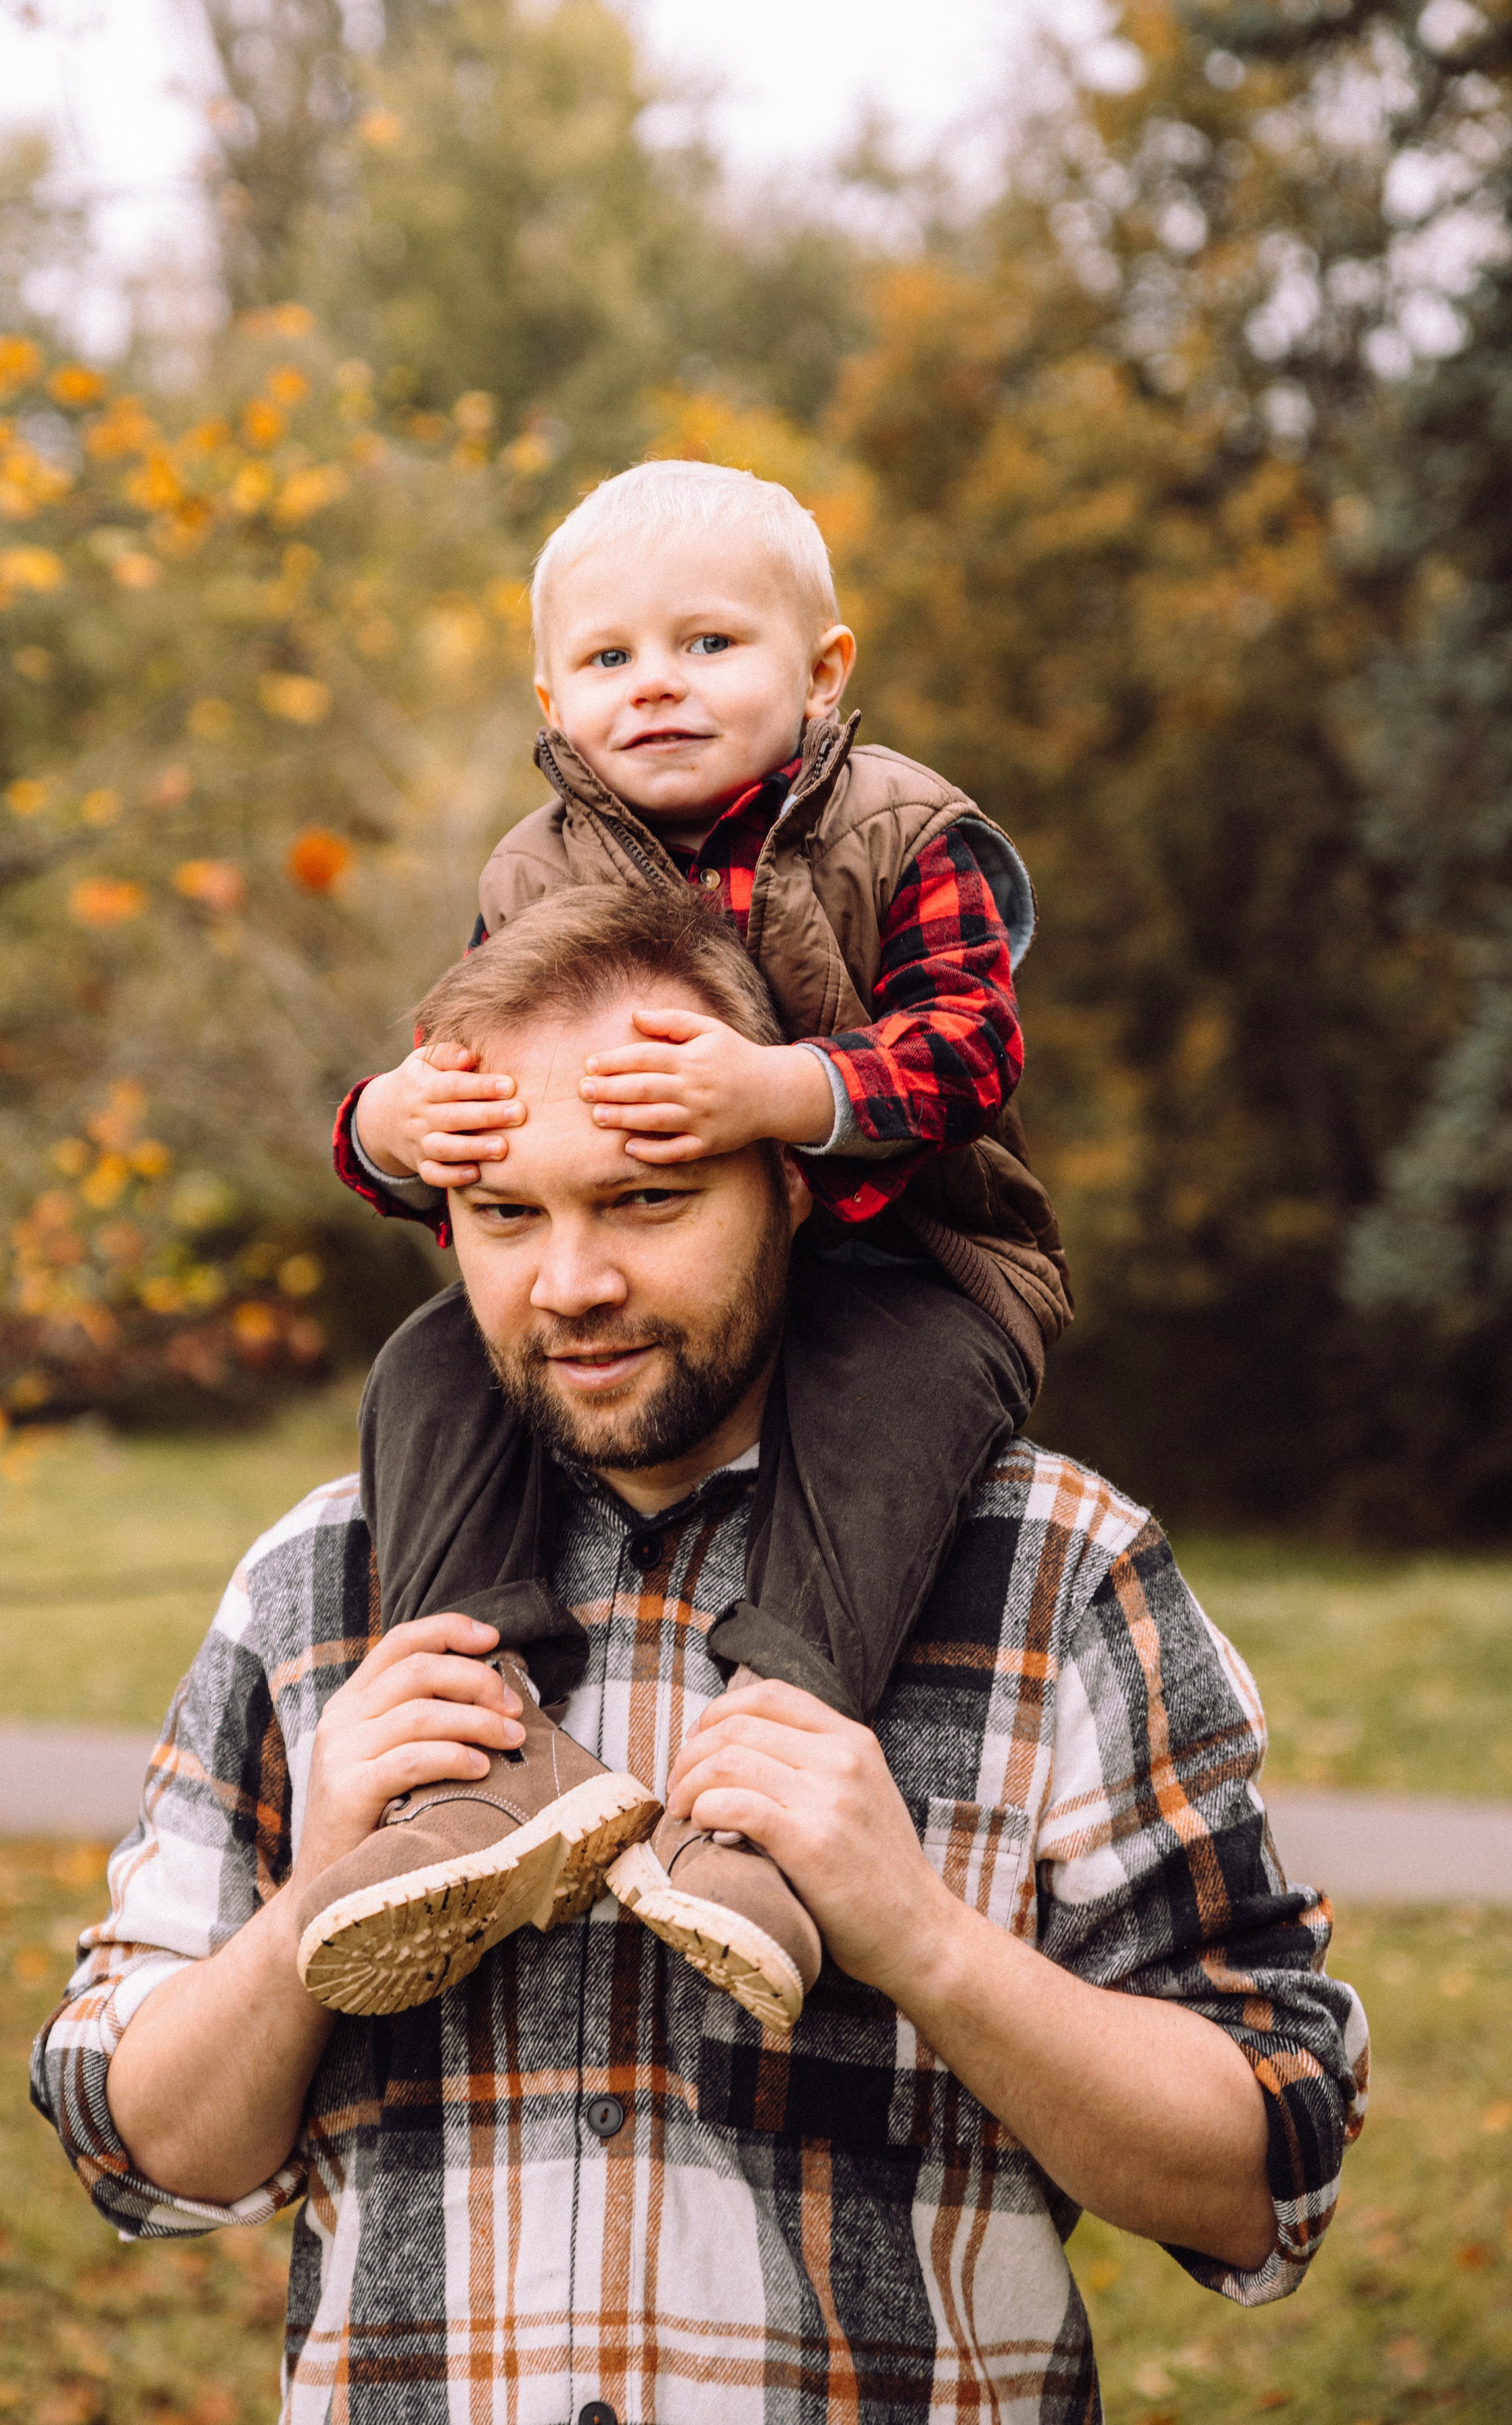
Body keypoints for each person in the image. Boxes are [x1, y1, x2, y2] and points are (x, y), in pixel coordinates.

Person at [32, 891, 1368, 2425]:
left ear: (795, 1189)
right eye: (507, 1215)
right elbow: (138, 2150)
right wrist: (315, 1904)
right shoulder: (320, 1585)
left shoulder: (1054, 1573)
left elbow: (1266, 2170)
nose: (571, 1284)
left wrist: (919, 1936)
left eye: (648, 1200)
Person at [326, 459, 1072, 2016]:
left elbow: (968, 1053)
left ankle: (758, 1817)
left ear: (822, 669)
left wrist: (779, 1089)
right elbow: (482, 1089)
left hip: (907, 1250)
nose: (654, 684)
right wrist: (387, 1130)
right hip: (660, 1263)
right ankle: (485, 1760)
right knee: (431, 1364)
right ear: (551, 694)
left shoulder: (896, 827)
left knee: (891, 1392)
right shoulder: (530, 873)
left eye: (708, 645)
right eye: (608, 659)